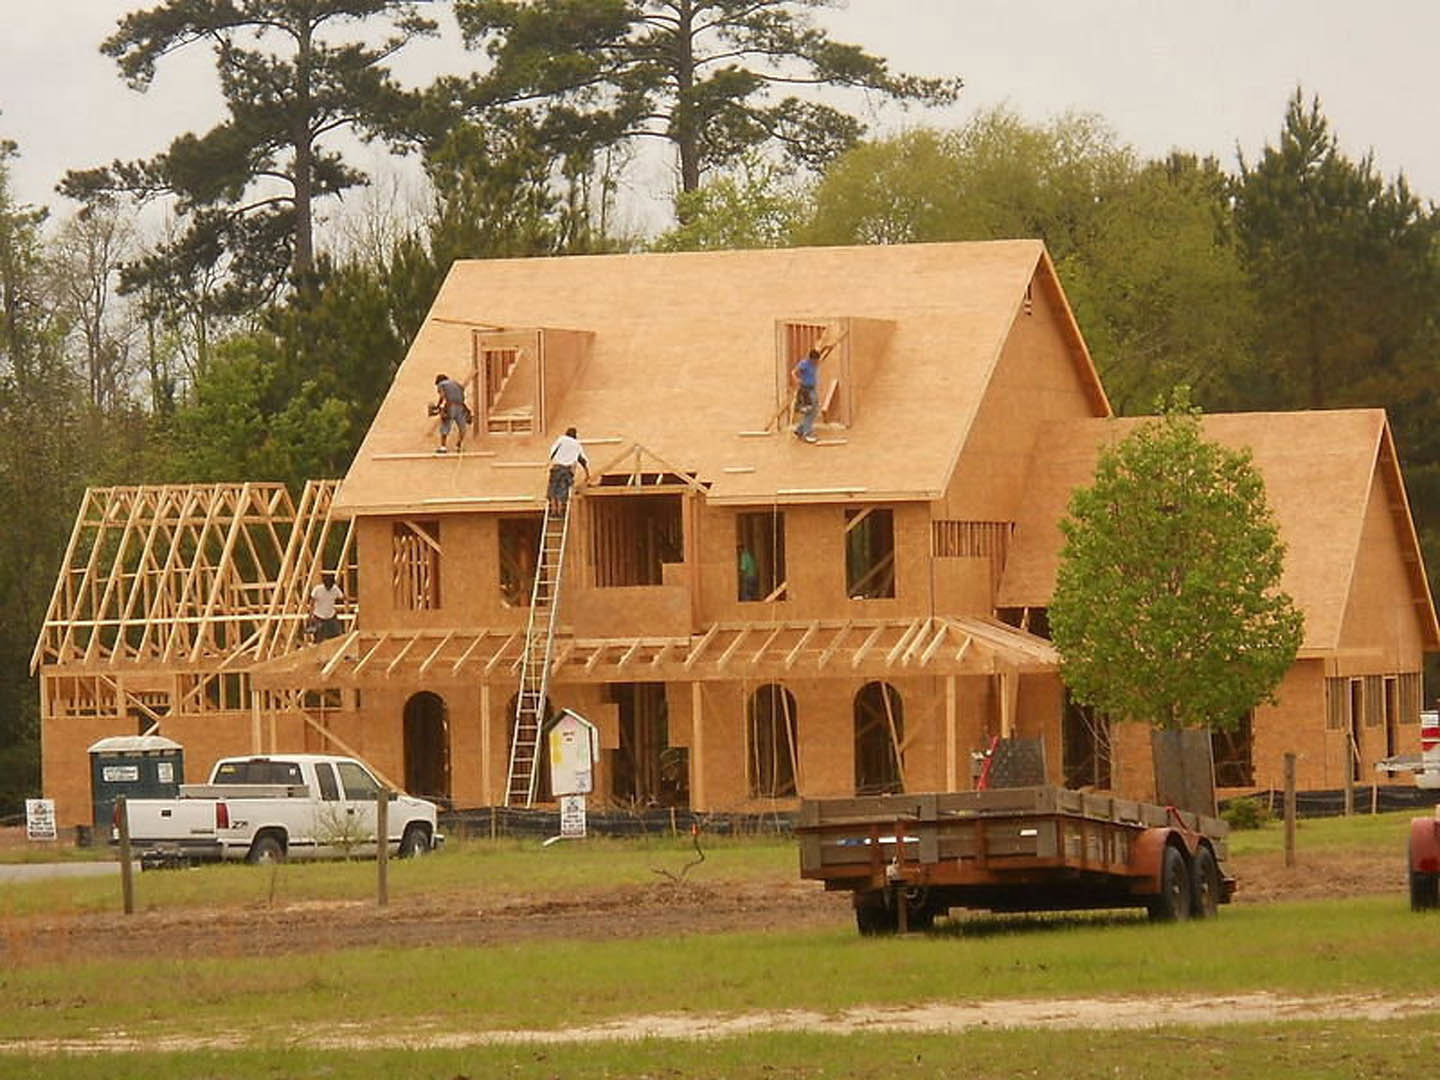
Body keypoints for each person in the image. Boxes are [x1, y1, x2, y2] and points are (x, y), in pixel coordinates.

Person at [790, 342, 834, 443]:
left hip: (812, 389)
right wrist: (797, 380)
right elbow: (793, 372)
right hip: (805, 389)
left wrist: (828, 347)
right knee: (811, 410)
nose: (817, 362)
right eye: (815, 360)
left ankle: (800, 429)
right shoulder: (805, 364)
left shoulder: (816, 362)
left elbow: (822, 353)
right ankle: (807, 432)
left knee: (813, 410)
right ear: (811, 359)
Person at [547, 426, 592, 516]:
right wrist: (587, 474)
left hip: (556, 467)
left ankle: (553, 510)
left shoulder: (561, 439)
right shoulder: (576, 444)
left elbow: (552, 453)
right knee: (562, 490)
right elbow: (582, 460)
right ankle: (559, 511)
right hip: (567, 470)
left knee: (553, 489)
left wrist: (554, 460)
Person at [433, 373, 469, 453]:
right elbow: (463, 396)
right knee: (462, 427)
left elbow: (442, 395)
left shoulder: (441, 384)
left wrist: (438, 406)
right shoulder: (457, 384)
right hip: (460, 406)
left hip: (450, 406)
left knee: (445, 425)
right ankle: (459, 446)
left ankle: (443, 447)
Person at [308, 572, 345, 642]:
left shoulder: (335, 589)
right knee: (319, 638)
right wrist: (310, 615)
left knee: (337, 637)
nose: (329, 588)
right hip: (319, 616)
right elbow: (312, 602)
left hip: (331, 616)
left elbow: (343, 597)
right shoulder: (317, 589)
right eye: (327, 586)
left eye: (330, 586)